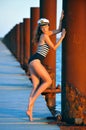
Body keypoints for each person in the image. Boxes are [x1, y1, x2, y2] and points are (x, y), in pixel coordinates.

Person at [26, 11, 66, 121]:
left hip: (32, 61)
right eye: (42, 27)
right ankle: (32, 101)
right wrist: (62, 38)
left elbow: (57, 30)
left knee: (36, 85)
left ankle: (30, 111)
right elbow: (53, 48)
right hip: (36, 61)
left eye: (45, 26)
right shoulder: (44, 35)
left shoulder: (47, 34)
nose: (44, 28)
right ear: (40, 28)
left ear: (48, 26)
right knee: (48, 81)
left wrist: (60, 20)